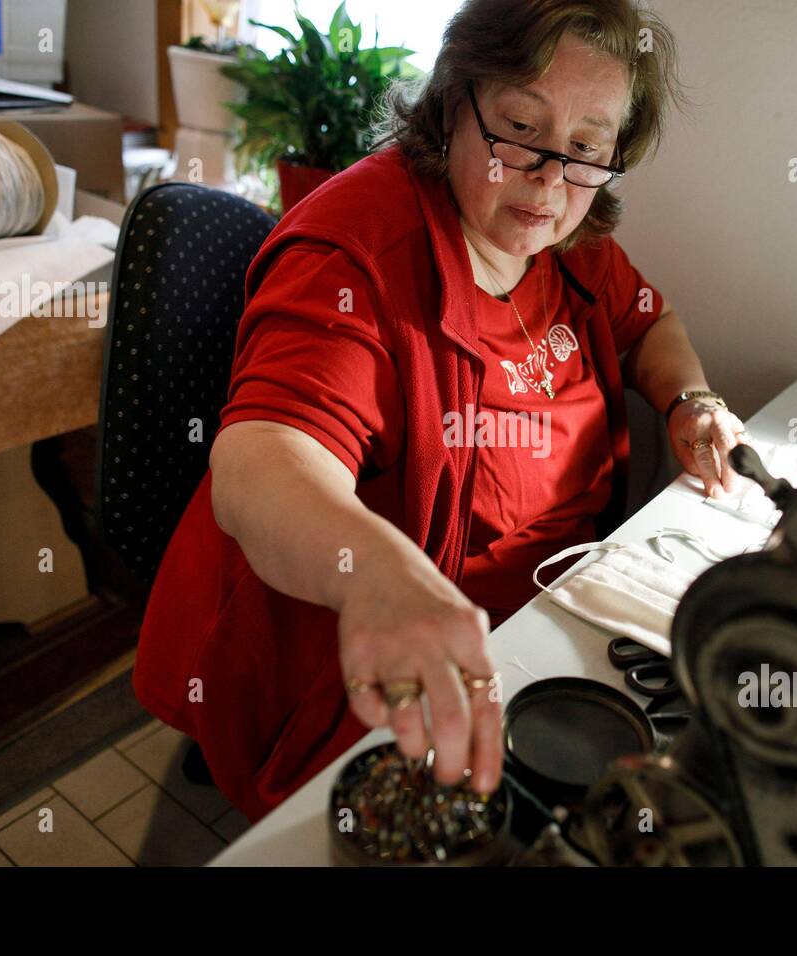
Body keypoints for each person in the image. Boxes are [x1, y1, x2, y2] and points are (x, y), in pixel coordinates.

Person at [133, 0, 751, 823]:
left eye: (584, 148)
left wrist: (691, 397)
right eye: (519, 128)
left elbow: (648, 323)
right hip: (381, 665)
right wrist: (382, 581)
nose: (548, 176)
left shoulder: (569, 237)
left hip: (553, 618)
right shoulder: (356, 253)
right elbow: (260, 463)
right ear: (455, 105)